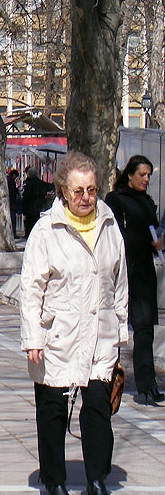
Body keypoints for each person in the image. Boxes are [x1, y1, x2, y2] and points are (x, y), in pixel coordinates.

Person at [20, 152, 128, 495]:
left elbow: (120, 282)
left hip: (100, 333)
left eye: (92, 190)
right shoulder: (46, 230)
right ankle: (54, 478)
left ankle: (97, 480)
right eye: (78, 190)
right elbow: (31, 287)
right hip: (57, 334)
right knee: (51, 409)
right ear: (63, 191)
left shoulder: (110, 225)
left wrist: (121, 329)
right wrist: (32, 338)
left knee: (98, 407)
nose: (86, 197)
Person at [105, 155, 164, 404]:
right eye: (142, 174)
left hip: (143, 273)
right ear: (129, 175)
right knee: (112, 329)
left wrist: (158, 244)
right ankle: (106, 380)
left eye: (149, 175)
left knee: (144, 330)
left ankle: (147, 385)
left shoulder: (148, 202)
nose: (146, 179)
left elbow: (152, 233)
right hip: (121, 271)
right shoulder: (116, 200)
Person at [22, 167, 53, 238]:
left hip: (30, 209)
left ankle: (29, 236)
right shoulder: (42, 183)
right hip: (40, 208)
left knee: (29, 225)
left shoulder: (28, 184)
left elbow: (25, 197)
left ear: (28, 174)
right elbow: (51, 187)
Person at [7, 169, 21, 238]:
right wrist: (17, 188)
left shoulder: (7, 179)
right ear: (14, 175)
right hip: (12, 204)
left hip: (8, 203)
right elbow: (13, 192)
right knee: (13, 220)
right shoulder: (11, 181)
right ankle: (14, 234)